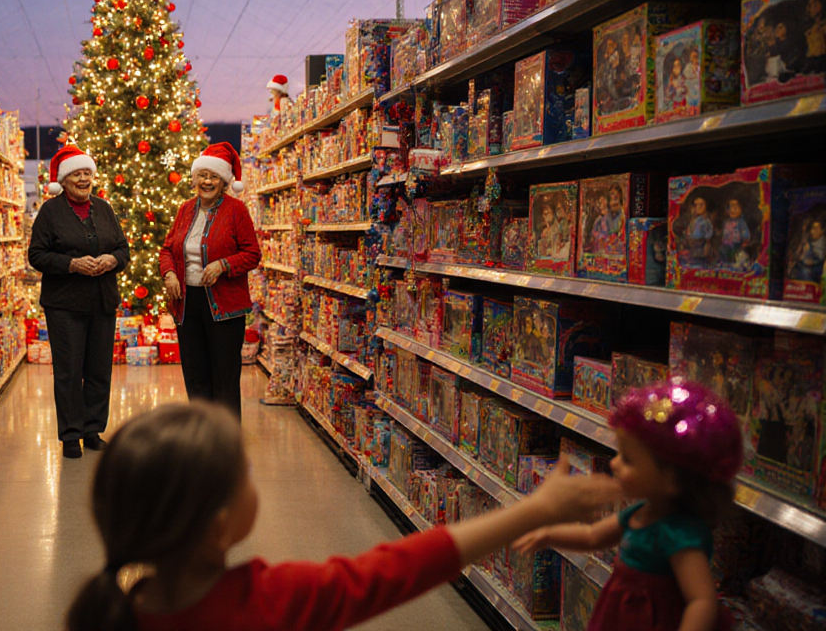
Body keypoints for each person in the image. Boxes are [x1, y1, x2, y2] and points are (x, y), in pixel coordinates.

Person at [65, 401, 622, 631]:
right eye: (246, 476)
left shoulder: (109, 613)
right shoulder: (270, 601)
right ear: (218, 526)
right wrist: (532, 511)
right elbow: (399, 568)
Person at [513, 380, 743, 631]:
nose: (614, 464)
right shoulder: (640, 512)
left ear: (672, 478)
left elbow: (701, 600)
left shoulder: (678, 534)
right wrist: (548, 534)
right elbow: (592, 536)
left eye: (628, 459)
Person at [28, 146, 130, 459]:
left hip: (102, 301)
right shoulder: (50, 211)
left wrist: (111, 260)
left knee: (99, 368)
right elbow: (37, 255)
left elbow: (124, 251)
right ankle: (71, 434)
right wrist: (72, 264)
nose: (83, 179)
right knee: (70, 370)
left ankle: (92, 429)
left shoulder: (104, 208)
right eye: (77, 174)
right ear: (65, 180)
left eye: (87, 173)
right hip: (65, 305)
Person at [159, 143, 261, 419]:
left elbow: (252, 254)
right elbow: (167, 249)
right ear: (194, 179)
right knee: (195, 376)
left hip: (224, 307)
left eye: (213, 176)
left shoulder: (236, 210)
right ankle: (201, 439)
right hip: (187, 304)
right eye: (202, 175)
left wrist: (223, 265)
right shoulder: (185, 210)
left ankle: (225, 445)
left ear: (224, 180)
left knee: (224, 378)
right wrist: (169, 273)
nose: (207, 181)